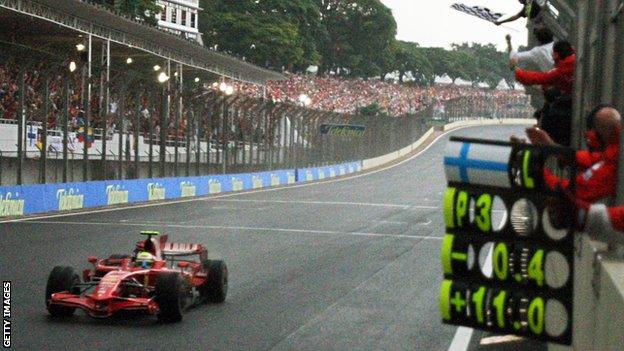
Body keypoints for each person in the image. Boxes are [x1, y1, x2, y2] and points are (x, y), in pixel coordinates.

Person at [525, 104, 621, 204]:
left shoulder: (612, 165)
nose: (588, 141)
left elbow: (570, 192)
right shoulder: (614, 152)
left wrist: (531, 164)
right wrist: (550, 145)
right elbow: (586, 158)